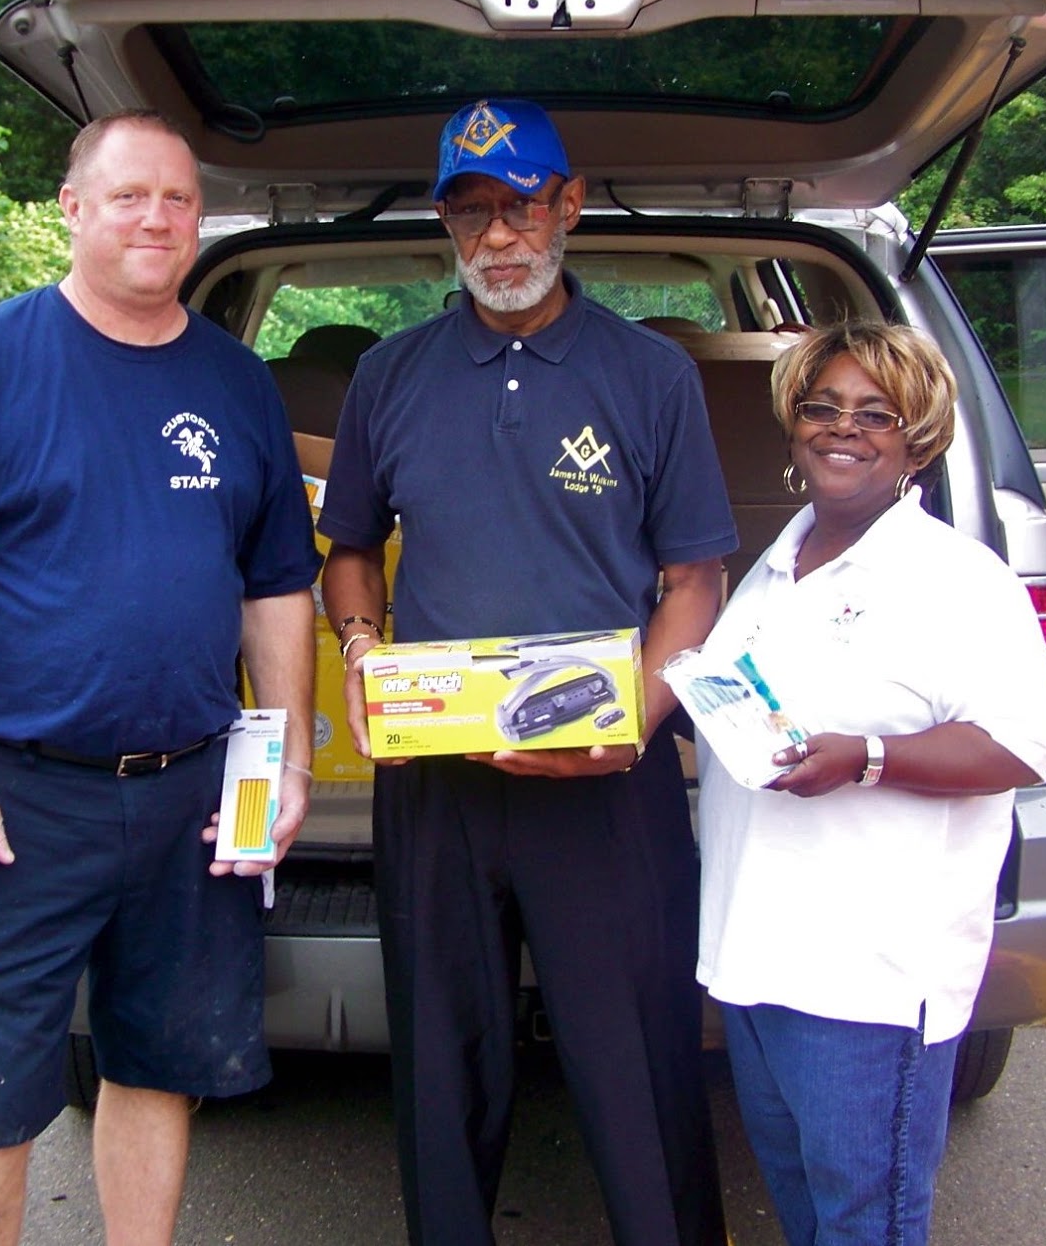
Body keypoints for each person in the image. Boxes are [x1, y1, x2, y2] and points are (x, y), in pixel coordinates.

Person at [0, 109, 321, 1246]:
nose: (155, 217)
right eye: (128, 195)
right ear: (72, 207)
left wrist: (289, 755)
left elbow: (274, 589)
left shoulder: (238, 382)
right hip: (20, 805)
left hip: (192, 794)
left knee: (158, 1068)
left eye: (176, 199)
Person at [319, 98, 736, 1246]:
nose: (498, 237)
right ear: (446, 225)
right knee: (443, 1070)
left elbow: (693, 582)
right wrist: (359, 647)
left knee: (639, 1057)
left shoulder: (651, 376)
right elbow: (349, 547)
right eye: (470, 211)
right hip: (438, 781)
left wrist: (637, 721)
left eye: (520, 207)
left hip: (606, 782)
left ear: (569, 204)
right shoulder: (389, 376)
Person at [694, 320, 1046, 1245]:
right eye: (822, 408)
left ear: (918, 438)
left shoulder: (957, 580)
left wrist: (869, 757)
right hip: (758, 961)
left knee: (865, 1224)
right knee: (810, 1213)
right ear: (792, 424)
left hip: (870, 983)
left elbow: (1019, 747)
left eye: (875, 414)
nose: (841, 430)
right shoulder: (778, 563)